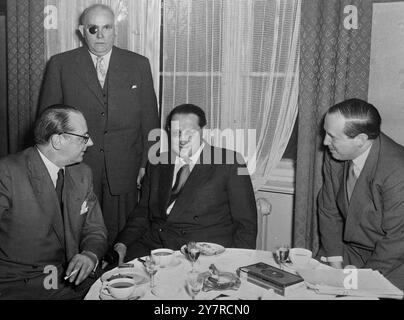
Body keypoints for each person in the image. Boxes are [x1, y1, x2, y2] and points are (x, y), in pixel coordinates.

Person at [39, 4, 159, 246]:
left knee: (122, 238)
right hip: (77, 167)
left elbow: (150, 120)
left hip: (125, 169)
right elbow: (47, 123)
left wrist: (149, 164)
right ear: (82, 30)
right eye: (94, 29)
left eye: (107, 28)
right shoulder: (61, 65)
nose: (101, 35)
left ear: (115, 30)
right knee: (79, 233)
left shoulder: (138, 64)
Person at [106, 104, 258, 264]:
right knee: (115, 280)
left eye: (190, 132)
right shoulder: (157, 163)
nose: (183, 139)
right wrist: (122, 244)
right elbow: (143, 212)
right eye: (176, 132)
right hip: (155, 246)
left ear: (202, 131)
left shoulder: (229, 162)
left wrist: (239, 263)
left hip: (201, 253)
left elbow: (246, 224)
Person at [0, 105, 108, 299]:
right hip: (21, 284)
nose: (90, 142)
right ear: (58, 140)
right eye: (83, 137)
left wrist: (89, 255)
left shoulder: (82, 173)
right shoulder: (8, 173)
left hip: (71, 278)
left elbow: (95, 230)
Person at [318, 98, 404, 290]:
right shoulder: (336, 154)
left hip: (394, 261)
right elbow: (328, 211)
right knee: (311, 285)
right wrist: (336, 265)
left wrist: (358, 284)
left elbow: (397, 240)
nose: (325, 142)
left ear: (361, 140)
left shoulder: (398, 170)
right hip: (351, 250)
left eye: (332, 136)